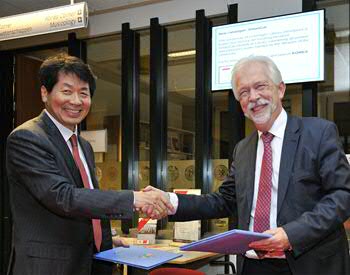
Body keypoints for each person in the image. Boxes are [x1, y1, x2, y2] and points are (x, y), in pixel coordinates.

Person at [144, 56, 350, 275]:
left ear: (280, 90)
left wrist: (292, 234)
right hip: (253, 265)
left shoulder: (318, 133)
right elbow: (224, 201)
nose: (253, 97)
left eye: (260, 86)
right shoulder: (243, 149)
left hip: (309, 264)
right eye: (243, 92)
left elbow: (342, 195)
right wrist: (170, 201)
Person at [6, 54, 173, 275]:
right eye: (66, 91)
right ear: (45, 93)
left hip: (92, 262)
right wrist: (135, 198)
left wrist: (105, 240)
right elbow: (63, 197)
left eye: (83, 93)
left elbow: (87, 200)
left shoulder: (83, 145)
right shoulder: (27, 138)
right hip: (49, 266)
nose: (76, 101)